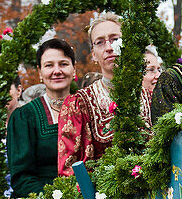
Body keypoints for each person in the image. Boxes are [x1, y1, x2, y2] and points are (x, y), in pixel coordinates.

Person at [58, 13, 151, 174]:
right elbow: (69, 169)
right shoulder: (80, 103)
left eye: (115, 39)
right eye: (100, 42)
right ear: (93, 54)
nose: (109, 47)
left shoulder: (150, 98)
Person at [7, 39, 77, 196]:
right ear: (40, 72)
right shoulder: (24, 117)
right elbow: (21, 177)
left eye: (63, 64)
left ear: (74, 69)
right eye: (49, 65)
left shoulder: (86, 109)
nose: (57, 70)